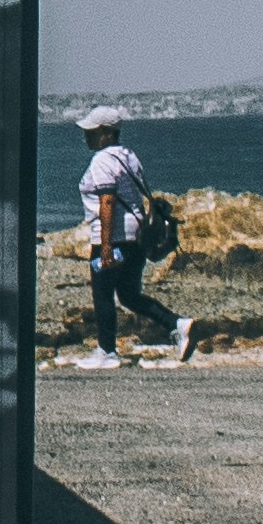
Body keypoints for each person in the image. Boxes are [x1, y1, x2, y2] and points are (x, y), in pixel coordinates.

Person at [73, 106, 193, 363]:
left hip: (111, 239)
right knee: (129, 295)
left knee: (102, 293)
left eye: (91, 132)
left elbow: (107, 202)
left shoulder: (102, 160)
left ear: (105, 133)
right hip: (135, 239)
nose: (86, 136)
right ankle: (178, 324)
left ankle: (107, 352)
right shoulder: (129, 156)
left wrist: (104, 248)